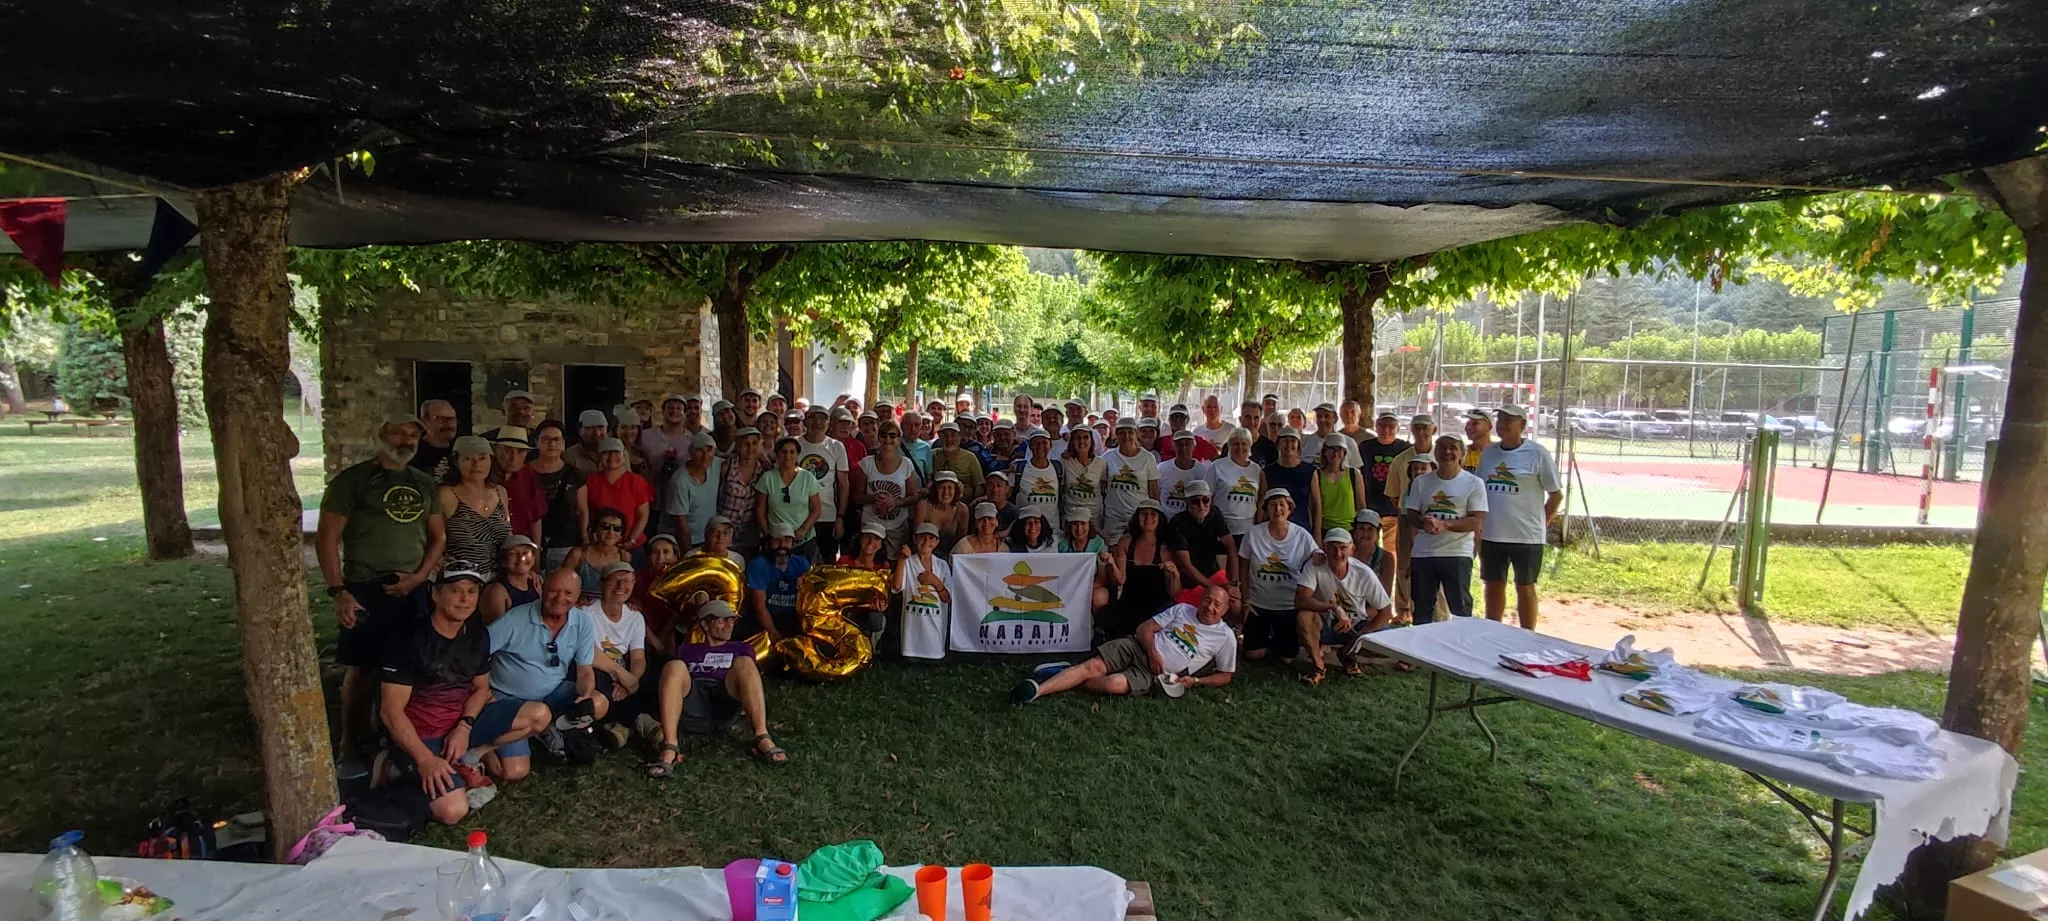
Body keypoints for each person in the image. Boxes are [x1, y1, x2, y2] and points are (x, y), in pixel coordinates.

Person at [317, 416, 446, 776]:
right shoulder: (353, 481)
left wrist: (419, 577)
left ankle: (397, 741)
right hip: (365, 588)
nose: (406, 440)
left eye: (413, 435)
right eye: (399, 433)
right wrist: (339, 591)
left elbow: (438, 537)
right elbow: (327, 538)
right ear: (381, 435)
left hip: (412, 589)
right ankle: (349, 745)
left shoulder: (424, 483)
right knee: (362, 668)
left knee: (411, 666)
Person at [377, 568, 493, 825]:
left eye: (471, 591)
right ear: (436, 595)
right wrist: (425, 759)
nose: (464, 599)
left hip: (459, 724)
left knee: (536, 716)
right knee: (453, 811)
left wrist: (465, 726)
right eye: (455, 590)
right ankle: (395, 765)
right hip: (422, 733)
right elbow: (390, 711)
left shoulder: (478, 634)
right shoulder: (408, 640)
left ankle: (465, 759)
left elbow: (481, 688)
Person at [472, 569, 603, 782]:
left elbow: (585, 671)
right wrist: (484, 689)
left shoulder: (583, 622)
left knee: (597, 703)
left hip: (551, 692)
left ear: (578, 596)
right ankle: (487, 747)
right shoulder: (515, 619)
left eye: (568, 593)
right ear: (541, 589)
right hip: (508, 696)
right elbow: (475, 654)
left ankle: (545, 727)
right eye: (554, 591)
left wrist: (585, 695)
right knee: (512, 771)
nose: (560, 598)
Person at [1011, 584, 1235, 702]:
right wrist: (1152, 652)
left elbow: (1225, 675)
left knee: (1113, 684)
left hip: (1155, 675)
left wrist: (1196, 681)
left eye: (1217, 605)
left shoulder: (1225, 637)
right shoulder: (1183, 610)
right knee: (1094, 667)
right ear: (1201, 599)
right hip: (1137, 647)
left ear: (1225, 610)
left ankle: (1067, 674)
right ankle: (1037, 691)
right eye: (1207, 600)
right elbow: (1144, 628)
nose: (1210, 607)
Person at [646, 599, 787, 776]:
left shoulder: (741, 648)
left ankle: (762, 737)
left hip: (724, 699)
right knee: (673, 665)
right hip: (693, 702)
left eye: (731, 620)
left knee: (745, 663)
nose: (729, 625)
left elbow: (748, 678)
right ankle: (670, 746)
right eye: (722, 620)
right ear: (705, 624)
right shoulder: (688, 649)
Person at [1477, 405, 1563, 629]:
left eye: (1509, 420)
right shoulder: (1489, 453)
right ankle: (1492, 630)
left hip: (1526, 537)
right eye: (1500, 419)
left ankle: (1527, 634)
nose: (1503, 424)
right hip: (1492, 534)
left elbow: (1555, 495)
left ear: (1522, 425)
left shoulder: (1537, 453)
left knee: (1525, 587)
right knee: (1493, 585)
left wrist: (1541, 523)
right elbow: (1480, 492)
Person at [1292, 528, 1395, 684]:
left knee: (1390, 644)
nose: (1338, 553)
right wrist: (1333, 608)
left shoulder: (1364, 573)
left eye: (1343, 548)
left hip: (1356, 626)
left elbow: (1386, 612)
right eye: (1332, 547)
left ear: (1352, 550)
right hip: (1325, 625)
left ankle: (1349, 654)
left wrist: (1359, 638)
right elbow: (1300, 600)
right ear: (1325, 548)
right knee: (1304, 617)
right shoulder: (1314, 566)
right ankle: (1318, 666)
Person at [1405, 435, 1488, 622]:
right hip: (1423, 553)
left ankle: (1461, 640)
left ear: (1462, 454)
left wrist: (1445, 524)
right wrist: (1425, 523)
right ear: (1435, 453)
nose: (1447, 452)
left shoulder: (1474, 483)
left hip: (1457, 553)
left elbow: (1476, 520)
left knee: (1460, 609)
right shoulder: (1421, 482)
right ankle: (1421, 640)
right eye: (1442, 448)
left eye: (1453, 448)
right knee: (1422, 608)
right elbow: (1411, 515)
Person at [1237, 490, 1318, 662]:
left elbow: (1317, 557)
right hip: (1258, 604)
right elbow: (1243, 567)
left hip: (1288, 606)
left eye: (1282, 505)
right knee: (1253, 655)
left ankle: (1277, 642)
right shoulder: (1253, 533)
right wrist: (1245, 601)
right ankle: (1261, 641)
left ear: (1290, 509)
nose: (1278, 509)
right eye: (1273, 505)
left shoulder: (1301, 534)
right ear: (1266, 509)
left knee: (1286, 658)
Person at [581, 560, 649, 747]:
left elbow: (638, 658)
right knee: (597, 679)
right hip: (599, 670)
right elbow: (586, 652)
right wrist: (622, 676)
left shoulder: (635, 617)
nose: (621, 586)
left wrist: (630, 680)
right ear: (602, 584)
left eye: (626, 581)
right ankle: (634, 722)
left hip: (623, 673)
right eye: (614, 580)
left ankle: (623, 725)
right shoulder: (586, 614)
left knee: (648, 673)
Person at [437, 435, 512, 580]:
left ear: (491, 460)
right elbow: (432, 536)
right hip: (461, 580)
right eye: (467, 458)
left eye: (482, 458)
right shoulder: (446, 494)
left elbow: (508, 535)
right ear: (456, 462)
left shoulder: (500, 491)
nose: (476, 464)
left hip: (500, 578)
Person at [1106, 499, 1178, 638]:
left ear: (1160, 519)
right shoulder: (1125, 543)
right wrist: (1111, 564)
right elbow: (1119, 580)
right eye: (1144, 513)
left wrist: (1175, 574)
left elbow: (1173, 592)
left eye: (1153, 514)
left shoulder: (1165, 548)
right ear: (1137, 517)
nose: (1148, 518)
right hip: (1130, 605)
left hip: (1157, 609)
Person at [525, 421, 587, 570]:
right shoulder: (524, 472)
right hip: (529, 542)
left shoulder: (574, 474)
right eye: (545, 439)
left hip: (566, 543)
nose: (551, 444)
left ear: (563, 443)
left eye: (556, 439)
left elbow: (582, 510)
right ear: (536, 442)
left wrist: (584, 537)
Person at [854, 418, 922, 550]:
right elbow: (857, 497)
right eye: (883, 435)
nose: (888, 439)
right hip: (870, 526)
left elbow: (914, 497)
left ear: (899, 439)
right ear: (878, 438)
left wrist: (896, 502)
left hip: (897, 527)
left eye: (892, 435)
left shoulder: (906, 464)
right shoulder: (867, 463)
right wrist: (875, 498)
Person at [796, 406, 851, 563]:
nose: (818, 422)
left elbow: (843, 485)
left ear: (829, 423)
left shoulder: (836, 447)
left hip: (827, 515)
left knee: (826, 564)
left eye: (823, 418)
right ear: (805, 421)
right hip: (798, 515)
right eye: (813, 417)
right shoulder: (794, 444)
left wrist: (840, 517)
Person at [580, 437, 653, 553]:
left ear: (624, 455)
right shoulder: (590, 481)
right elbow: (584, 512)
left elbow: (643, 516)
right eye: (606, 452)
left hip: (631, 545)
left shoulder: (636, 481)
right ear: (598, 456)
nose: (612, 456)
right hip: (599, 545)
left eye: (616, 452)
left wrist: (631, 540)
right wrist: (586, 538)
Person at [757, 436, 825, 560]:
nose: (788, 455)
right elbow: (760, 508)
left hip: (803, 540)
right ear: (777, 454)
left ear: (797, 455)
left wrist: (803, 530)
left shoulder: (807, 477)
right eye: (784, 452)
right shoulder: (767, 478)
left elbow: (816, 509)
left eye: (792, 452)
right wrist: (766, 532)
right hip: (777, 541)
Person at [745, 523, 812, 642]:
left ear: (792, 543)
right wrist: (776, 637)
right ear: (769, 542)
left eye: (787, 540)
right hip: (765, 623)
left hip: (794, 620)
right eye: (777, 540)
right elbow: (760, 608)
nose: (782, 545)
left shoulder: (802, 564)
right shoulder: (759, 565)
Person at [896, 522, 953, 659]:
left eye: (931, 538)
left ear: (937, 542)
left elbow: (947, 598)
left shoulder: (942, 565)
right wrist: (901, 559)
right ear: (915, 539)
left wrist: (935, 581)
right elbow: (897, 586)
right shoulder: (908, 562)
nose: (926, 541)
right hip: (912, 632)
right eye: (922, 537)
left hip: (935, 627)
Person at [1167, 479, 1236, 586]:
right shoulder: (1177, 522)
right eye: (1195, 501)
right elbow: (1186, 565)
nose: (1201, 505)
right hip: (1189, 580)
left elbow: (1231, 547)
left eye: (1205, 500)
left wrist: (1235, 582)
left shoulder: (1215, 513)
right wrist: (1211, 587)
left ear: (1211, 499)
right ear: (1186, 502)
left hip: (1214, 573)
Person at [1101, 418, 1160, 542]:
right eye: (1122, 432)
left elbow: (1154, 493)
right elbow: (1102, 488)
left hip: (1139, 518)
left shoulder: (1148, 458)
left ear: (1137, 434)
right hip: (1113, 518)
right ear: (1116, 435)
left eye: (1130, 432)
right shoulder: (1107, 457)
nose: (1126, 436)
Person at [665, 432, 724, 552]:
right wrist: (688, 552)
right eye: (699, 450)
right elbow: (681, 526)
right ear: (691, 452)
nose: (705, 456)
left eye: (709, 450)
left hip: (710, 537)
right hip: (689, 540)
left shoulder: (716, 464)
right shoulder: (680, 481)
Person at [1258, 427, 1320, 532]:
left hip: (1302, 528)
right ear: (1278, 444)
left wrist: (1317, 532)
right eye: (1285, 441)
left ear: (1298, 445)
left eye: (1293, 441)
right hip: (1274, 528)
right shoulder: (1268, 472)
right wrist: (1259, 528)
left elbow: (1316, 504)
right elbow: (1262, 503)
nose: (1289, 444)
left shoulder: (1309, 471)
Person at [720, 427, 769, 556]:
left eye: (754, 443)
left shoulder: (764, 472)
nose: (750, 448)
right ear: (738, 446)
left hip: (750, 533)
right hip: (724, 530)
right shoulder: (726, 467)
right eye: (746, 443)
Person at [563, 506, 631, 599]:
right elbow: (563, 584)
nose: (611, 532)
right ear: (595, 529)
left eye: (617, 528)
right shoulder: (578, 554)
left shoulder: (624, 557)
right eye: (605, 527)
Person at [492, 427, 544, 546]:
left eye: (520, 452)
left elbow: (536, 517)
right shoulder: (484, 476)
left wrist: (536, 549)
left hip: (523, 548)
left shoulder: (528, 474)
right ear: (495, 450)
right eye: (507, 451)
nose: (513, 458)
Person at [634, 534, 682, 658]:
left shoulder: (682, 580)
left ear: (676, 556)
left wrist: (662, 641)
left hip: (675, 634)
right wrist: (656, 643)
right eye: (655, 552)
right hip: (645, 634)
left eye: (666, 552)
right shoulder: (638, 579)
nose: (661, 557)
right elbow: (635, 614)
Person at [1209, 428, 1261, 540]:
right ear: (1229, 446)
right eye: (1236, 444)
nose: (1240, 447)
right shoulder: (1217, 466)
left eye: (1244, 444)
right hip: (1221, 526)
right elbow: (1207, 496)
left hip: (1248, 528)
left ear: (1250, 446)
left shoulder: (1256, 469)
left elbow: (1260, 498)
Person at [1059, 508, 1115, 612]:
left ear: (1089, 525)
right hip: (1068, 587)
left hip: (1093, 586)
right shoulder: (1062, 545)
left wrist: (1086, 591)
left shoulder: (1098, 543)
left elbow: (1102, 577)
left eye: (1083, 523)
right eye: (1075, 524)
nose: (1079, 528)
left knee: (1100, 596)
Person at [481, 535, 543, 624]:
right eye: (513, 553)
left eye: (526, 552)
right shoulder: (497, 591)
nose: (521, 557)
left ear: (533, 557)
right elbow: (496, 629)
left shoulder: (536, 583)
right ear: (503, 561)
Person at [642, 394, 695, 498]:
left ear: (685, 413)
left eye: (679, 408)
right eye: (670, 408)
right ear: (663, 412)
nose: (674, 411)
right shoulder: (646, 436)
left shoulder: (692, 440)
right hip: (651, 495)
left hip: (682, 496)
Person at [1058, 426, 1106, 530]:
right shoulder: (1064, 461)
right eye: (1078, 438)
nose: (1081, 441)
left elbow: (1103, 489)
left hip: (1093, 516)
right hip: (1071, 516)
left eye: (1085, 437)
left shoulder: (1101, 463)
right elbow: (1061, 489)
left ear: (1091, 441)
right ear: (1072, 441)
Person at [913, 470, 971, 555]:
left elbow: (961, 542)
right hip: (925, 553)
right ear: (935, 489)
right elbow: (916, 538)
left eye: (950, 487)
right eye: (941, 487)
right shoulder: (923, 506)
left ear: (956, 490)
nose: (945, 492)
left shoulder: (962, 510)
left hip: (952, 554)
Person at [1013, 428, 1062, 520]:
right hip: (1027, 525)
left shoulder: (1058, 467)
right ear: (1030, 446)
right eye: (1036, 443)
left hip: (1053, 525)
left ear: (1050, 445)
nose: (1040, 446)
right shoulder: (1019, 467)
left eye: (1044, 443)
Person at [930, 421, 987, 498]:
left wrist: (974, 502)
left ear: (960, 436)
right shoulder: (933, 454)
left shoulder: (970, 457)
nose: (949, 439)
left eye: (953, 435)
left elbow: (979, 485)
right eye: (945, 435)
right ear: (940, 436)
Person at [1314, 438, 1357, 535]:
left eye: (1339, 450)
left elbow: (1361, 505)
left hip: (1349, 529)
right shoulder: (1316, 475)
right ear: (1325, 452)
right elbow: (1314, 506)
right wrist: (1317, 533)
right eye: (1331, 449)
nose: (1335, 454)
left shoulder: (1353, 474)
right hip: (1325, 528)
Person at [411, 399, 460, 479]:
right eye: (441, 419)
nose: (449, 425)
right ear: (424, 422)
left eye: (452, 419)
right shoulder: (412, 452)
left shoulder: (460, 451)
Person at [564, 409, 610, 474]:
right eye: (590, 428)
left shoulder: (619, 453)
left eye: (601, 427)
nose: (597, 433)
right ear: (579, 430)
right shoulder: (569, 457)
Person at [612, 403, 651, 477]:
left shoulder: (642, 453)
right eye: (623, 427)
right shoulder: (609, 454)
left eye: (633, 427)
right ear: (615, 429)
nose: (628, 432)